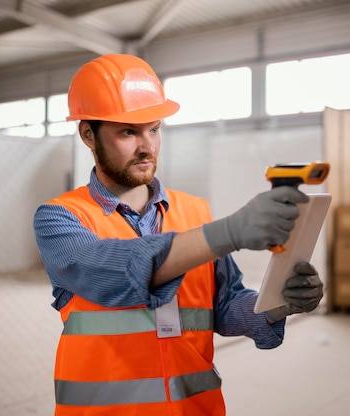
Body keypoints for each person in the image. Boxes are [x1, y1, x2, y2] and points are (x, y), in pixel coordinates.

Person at [33, 54, 324, 416]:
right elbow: (115, 270)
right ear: (88, 134)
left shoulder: (194, 212)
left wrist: (273, 304)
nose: (147, 146)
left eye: (154, 129)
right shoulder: (61, 219)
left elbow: (223, 306)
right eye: (128, 131)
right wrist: (229, 232)